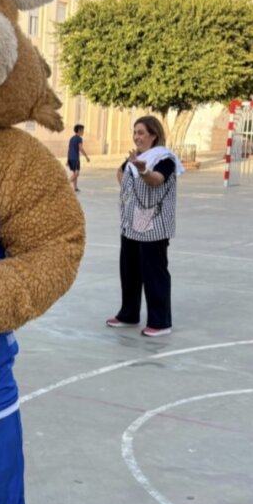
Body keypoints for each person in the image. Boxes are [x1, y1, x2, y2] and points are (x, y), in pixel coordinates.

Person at [107, 115, 184, 338]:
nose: (136, 137)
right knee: (129, 271)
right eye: (135, 132)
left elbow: (156, 180)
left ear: (154, 135)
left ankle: (160, 322)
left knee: (154, 273)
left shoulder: (164, 159)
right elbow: (121, 171)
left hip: (154, 226)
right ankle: (128, 314)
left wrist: (142, 171)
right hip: (132, 223)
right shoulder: (137, 158)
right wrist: (128, 185)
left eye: (141, 132)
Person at [66, 123, 90, 192]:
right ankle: (66, 185)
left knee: (74, 173)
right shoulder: (79, 139)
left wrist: (68, 160)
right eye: (82, 130)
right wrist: (86, 157)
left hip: (71, 157)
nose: (83, 132)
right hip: (75, 158)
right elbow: (81, 148)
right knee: (77, 174)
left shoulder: (71, 138)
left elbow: (69, 149)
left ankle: (75, 187)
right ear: (79, 130)